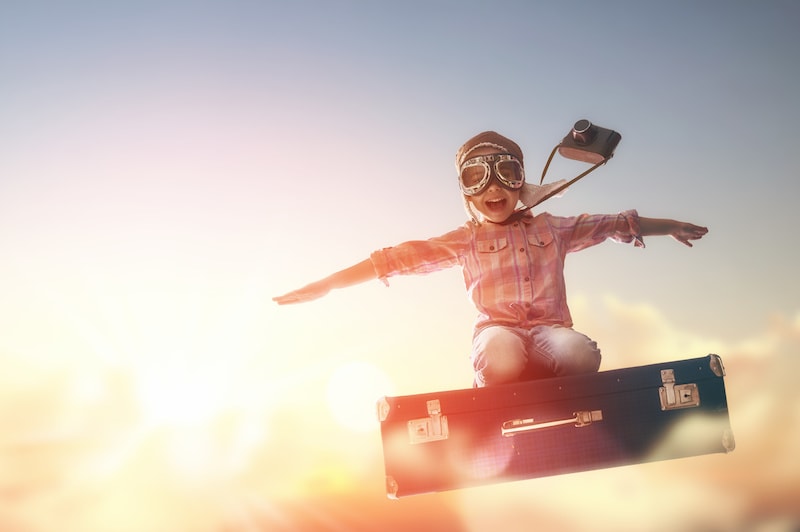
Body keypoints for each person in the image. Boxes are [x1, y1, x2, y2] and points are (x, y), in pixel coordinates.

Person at [273, 131, 708, 387]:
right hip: (498, 336)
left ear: (520, 182)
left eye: (507, 175)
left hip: (549, 335)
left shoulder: (550, 229)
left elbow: (613, 223)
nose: (493, 189)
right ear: (465, 191)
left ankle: (549, 386)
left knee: (579, 353)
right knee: (500, 349)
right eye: (476, 178)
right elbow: (395, 260)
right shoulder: (464, 240)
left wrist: (669, 224)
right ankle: (499, 384)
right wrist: (327, 284)